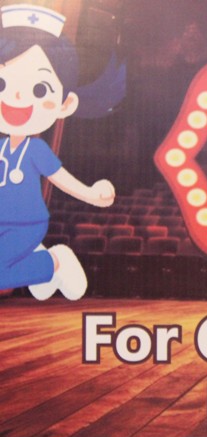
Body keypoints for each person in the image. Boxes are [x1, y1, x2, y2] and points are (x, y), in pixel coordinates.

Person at [0, 4, 125, 300]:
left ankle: (54, 262)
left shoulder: (35, 149)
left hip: (26, 222)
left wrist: (92, 195)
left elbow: (60, 178)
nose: (15, 96)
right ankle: (39, 263)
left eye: (39, 90)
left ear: (65, 104)